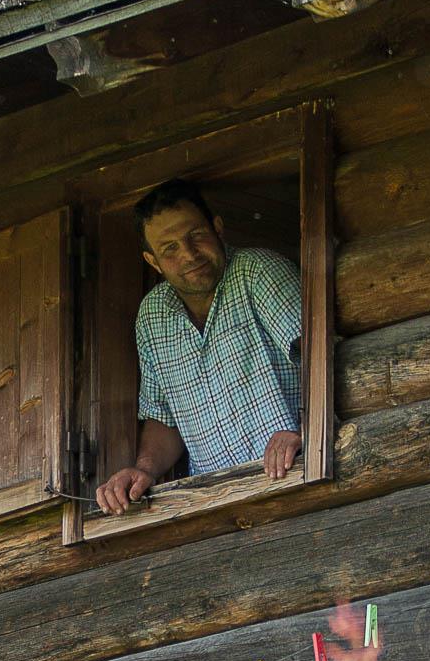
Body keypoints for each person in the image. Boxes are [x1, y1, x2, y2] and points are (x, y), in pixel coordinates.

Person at [96, 178, 303, 515]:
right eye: (170, 249)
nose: (189, 254)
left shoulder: (259, 271)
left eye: (195, 236)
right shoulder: (152, 317)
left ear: (217, 228)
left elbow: (317, 353)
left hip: (296, 474)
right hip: (218, 504)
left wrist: (304, 428)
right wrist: (145, 469)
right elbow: (163, 418)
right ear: (153, 261)